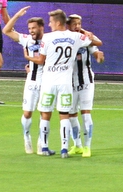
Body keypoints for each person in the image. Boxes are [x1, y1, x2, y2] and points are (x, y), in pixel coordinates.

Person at [35, 8, 92, 157]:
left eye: (51, 22)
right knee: (64, 115)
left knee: (45, 114)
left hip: (49, 82)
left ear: (58, 22)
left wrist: (29, 59)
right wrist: (82, 30)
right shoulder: (75, 36)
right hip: (65, 83)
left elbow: (41, 60)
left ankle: (45, 148)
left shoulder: (46, 38)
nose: (49, 24)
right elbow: (90, 39)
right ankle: (64, 149)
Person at [0, 7, 45, 154]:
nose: (31, 30)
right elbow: (6, 30)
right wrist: (17, 15)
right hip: (31, 81)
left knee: (44, 113)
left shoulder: (49, 40)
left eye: (34, 28)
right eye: (29, 28)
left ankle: (41, 141)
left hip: (47, 82)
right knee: (27, 113)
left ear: (41, 28)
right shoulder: (26, 40)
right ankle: (26, 137)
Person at [67, 13, 104, 157]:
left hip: (86, 82)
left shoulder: (85, 39)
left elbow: (97, 45)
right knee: (71, 115)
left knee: (86, 114)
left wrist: (99, 56)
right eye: (74, 24)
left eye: (79, 24)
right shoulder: (64, 40)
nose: (77, 27)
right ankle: (77, 145)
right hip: (69, 83)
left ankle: (87, 147)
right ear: (68, 25)